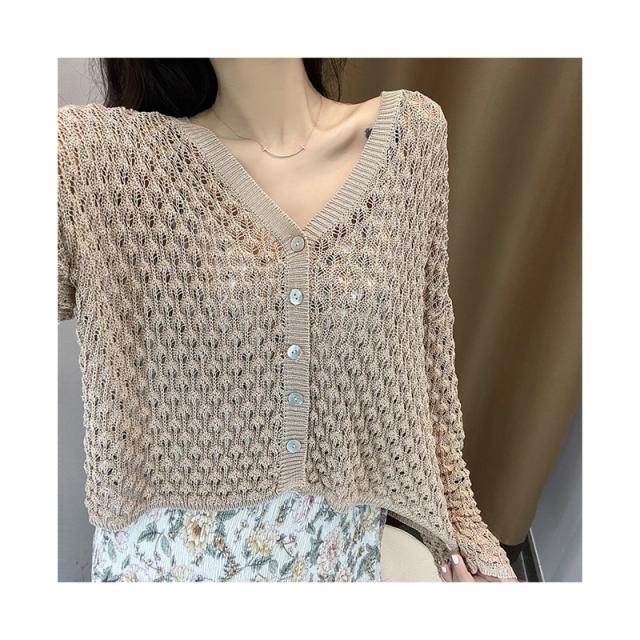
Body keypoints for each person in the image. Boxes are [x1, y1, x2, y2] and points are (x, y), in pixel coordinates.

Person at [58, 58, 518, 582]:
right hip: (161, 566)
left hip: (335, 560)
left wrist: (465, 536)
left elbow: (427, 362)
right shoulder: (96, 160)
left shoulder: (409, 138)